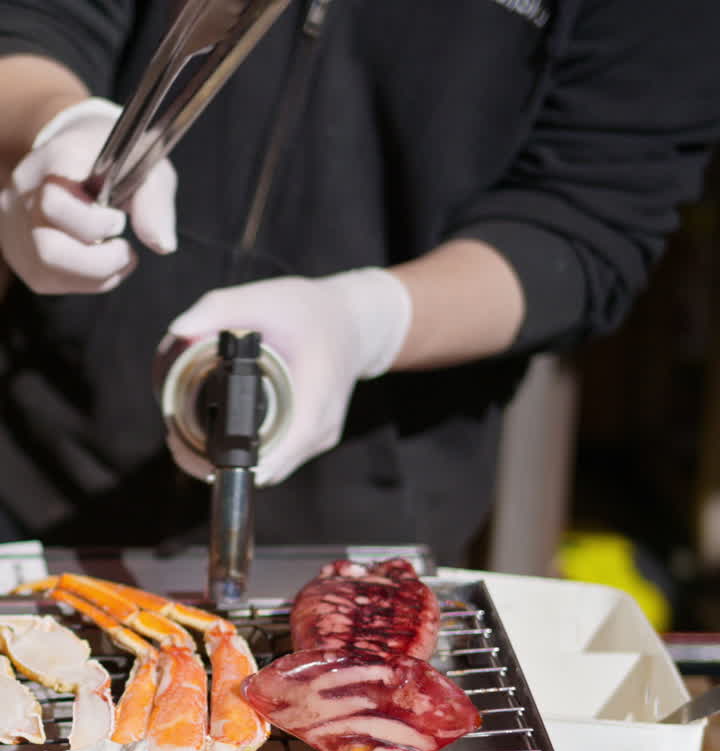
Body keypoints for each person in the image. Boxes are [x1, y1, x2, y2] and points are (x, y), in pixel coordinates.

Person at [0, 0, 718, 567]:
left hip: (360, 529)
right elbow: (35, 20)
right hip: (35, 467)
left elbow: (589, 217)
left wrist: (363, 323)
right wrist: (55, 128)